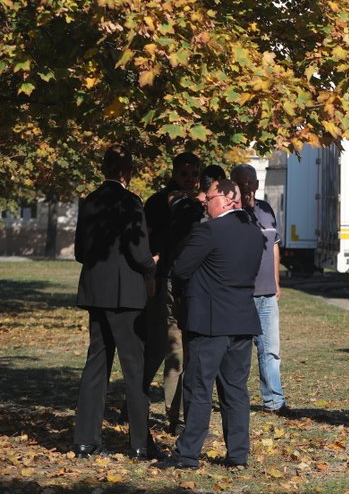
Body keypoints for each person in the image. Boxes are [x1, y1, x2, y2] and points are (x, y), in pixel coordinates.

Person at [155, 179, 264, 469]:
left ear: (228, 198)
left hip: (209, 323)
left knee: (198, 388)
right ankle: (238, 454)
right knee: (235, 390)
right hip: (241, 320)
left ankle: (187, 454)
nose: (204, 201)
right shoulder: (254, 233)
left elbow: (180, 269)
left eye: (210, 197)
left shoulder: (209, 231)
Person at [71, 144, 163, 460]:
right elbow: (138, 251)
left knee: (96, 364)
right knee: (134, 370)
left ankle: (85, 441)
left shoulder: (90, 202)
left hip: (96, 292)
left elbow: (80, 252)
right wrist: (152, 264)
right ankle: (139, 444)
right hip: (126, 296)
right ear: (128, 172)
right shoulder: (130, 202)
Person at [142, 151, 201, 435]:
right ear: (174, 172)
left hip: (192, 284)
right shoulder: (157, 202)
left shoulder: (200, 205)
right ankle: (173, 418)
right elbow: (144, 236)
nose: (188, 179)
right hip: (166, 280)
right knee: (171, 348)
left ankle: (182, 415)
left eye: (193, 174)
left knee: (188, 352)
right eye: (183, 173)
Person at [230, 163, 293, 418]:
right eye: (241, 183)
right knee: (238, 353)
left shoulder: (266, 210)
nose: (247, 187)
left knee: (270, 350)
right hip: (241, 294)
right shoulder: (231, 213)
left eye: (250, 182)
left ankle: (274, 402)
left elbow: (275, 246)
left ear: (257, 184)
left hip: (267, 294)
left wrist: (277, 281)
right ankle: (235, 400)